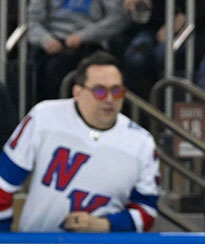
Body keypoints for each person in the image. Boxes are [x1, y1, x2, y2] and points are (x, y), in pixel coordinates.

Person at [0, 51, 158, 233]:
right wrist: (5, 242)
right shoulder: (44, 118)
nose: (109, 99)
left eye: (116, 90)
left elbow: (147, 212)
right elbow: (3, 185)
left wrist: (103, 225)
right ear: (77, 92)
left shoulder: (141, 143)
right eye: (99, 91)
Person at [26, 0, 130, 103]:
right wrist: (45, 40)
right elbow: (31, 21)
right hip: (51, 44)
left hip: (90, 44)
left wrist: (83, 36)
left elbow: (118, 18)